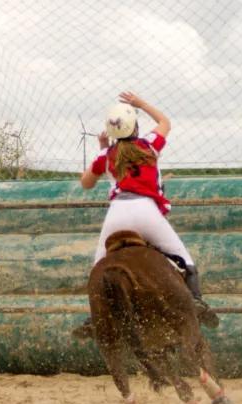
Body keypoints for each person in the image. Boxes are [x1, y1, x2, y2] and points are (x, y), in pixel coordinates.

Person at [79, 91, 217, 328]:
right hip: (146, 213)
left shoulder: (107, 155)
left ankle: (95, 319)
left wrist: (102, 149)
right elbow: (165, 123)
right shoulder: (149, 145)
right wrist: (139, 103)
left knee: (98, 267)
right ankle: (196, 301)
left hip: (117, 215)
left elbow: (86, 183)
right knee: (185, 260)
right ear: (134, 127)